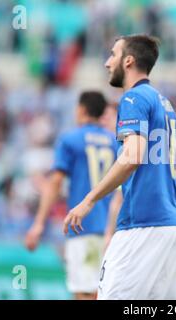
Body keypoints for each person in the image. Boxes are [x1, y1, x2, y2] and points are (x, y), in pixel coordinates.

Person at [63, 34, 176, 300]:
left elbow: (132, 157)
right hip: (171, 225)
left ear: (128, 61)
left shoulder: (133, 100)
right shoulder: (166, 105)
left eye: (113, 54)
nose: (108, 62)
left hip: (143, 224)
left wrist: (89, 200)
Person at [24, 91, 120, 300]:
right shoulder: (114, 142)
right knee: (97, 289)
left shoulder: (71, 139)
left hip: (83, 224)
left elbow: (56, 183)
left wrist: (39, 223)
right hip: (109, 227)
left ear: (82, 109)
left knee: (85, 293)